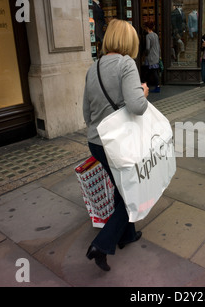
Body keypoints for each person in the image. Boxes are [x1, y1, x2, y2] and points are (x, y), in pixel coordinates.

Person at [83, 19, 148, 271]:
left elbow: (86, 113)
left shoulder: (93, 67)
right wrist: (143, 91)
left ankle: (127, 235)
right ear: (129, 41)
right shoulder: (126, 63)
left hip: (96, 142)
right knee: (132, 193)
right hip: (120, 144)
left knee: (122, 188)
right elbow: (137, 107)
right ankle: (102, 243)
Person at [142, 21, 161, 93]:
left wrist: (145, 54)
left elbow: (147, 48)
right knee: (153, 71)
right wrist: (159, 55)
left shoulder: (148, 36)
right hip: (156, 55)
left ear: (147, 28)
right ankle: (149, 84)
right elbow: (158, 46)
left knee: (150, 71)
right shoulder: (156, 35)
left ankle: (156, 86)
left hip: (150, 56)